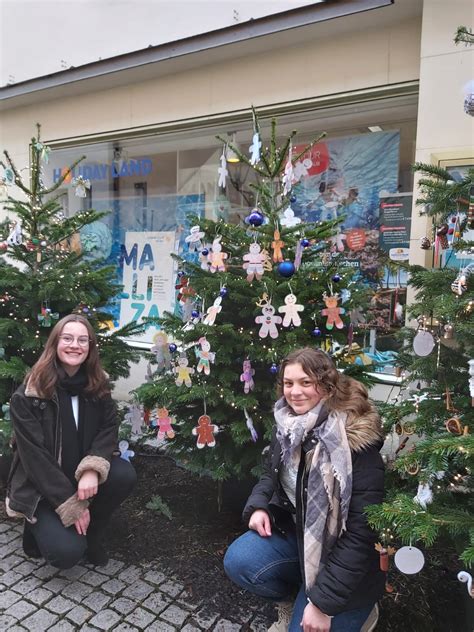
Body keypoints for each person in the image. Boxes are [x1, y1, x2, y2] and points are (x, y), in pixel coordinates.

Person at [224, 347, 385, 632]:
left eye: (305, 382)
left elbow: (361, 534)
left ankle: (359, 610)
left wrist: (323, 605)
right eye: (288, 383)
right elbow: (269, 473)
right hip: (300, 540)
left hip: (348, 566)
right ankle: (300, 596)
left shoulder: (355, 443)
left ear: (326, 386)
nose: (295, 392)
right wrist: (260, 504)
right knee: (240, 561)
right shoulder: (288, 425)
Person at [6, 314, 136, 569]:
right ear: (55, 343)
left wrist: (91, 469)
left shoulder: (97, 385)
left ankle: (93, 534)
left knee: (123, 474)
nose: (74, 345)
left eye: (82, 340)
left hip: (78, 471)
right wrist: (73, 505)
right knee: (65, 555)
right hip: (43, 487)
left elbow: (109, 427)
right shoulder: (29, 395)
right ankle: (35, 530)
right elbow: (36, 460)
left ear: (90, 347)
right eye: (67, 338)